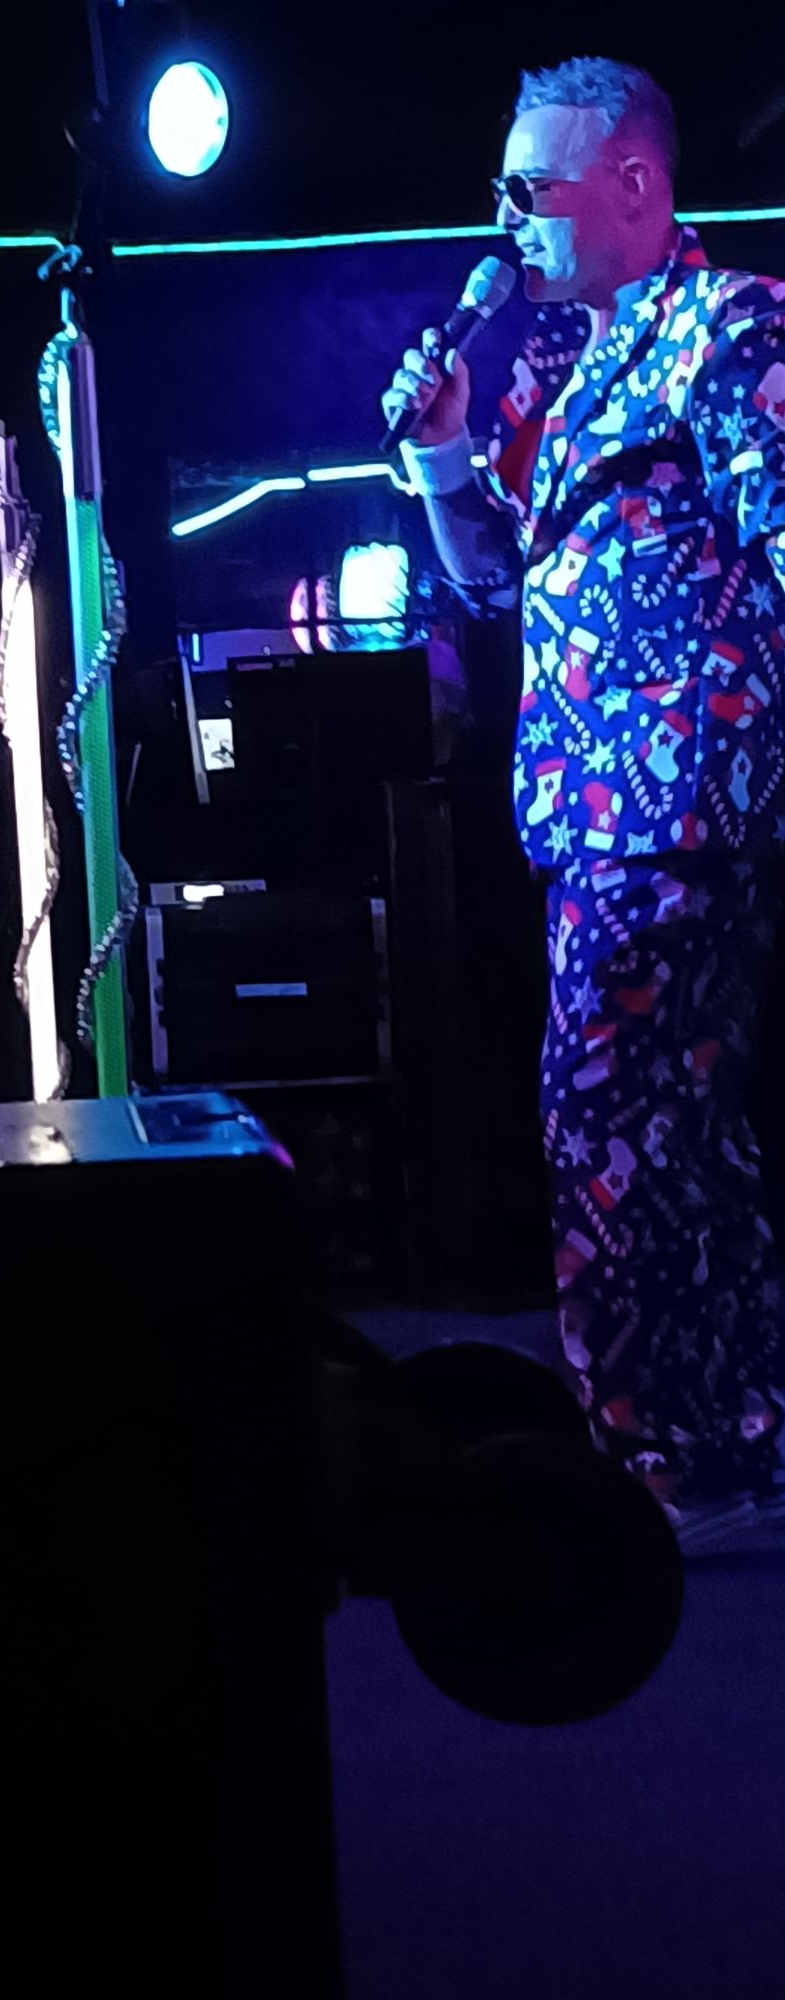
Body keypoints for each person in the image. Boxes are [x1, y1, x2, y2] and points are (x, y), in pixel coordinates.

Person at [381, 57, 785, 1555]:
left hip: (684, 806)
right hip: (584, 811)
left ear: (632, 183)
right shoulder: (565, 366)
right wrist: (442, 453)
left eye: (530, 190)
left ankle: (651, 1467)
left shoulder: (728, 328)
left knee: (605, 1123)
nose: (508, 222)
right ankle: (733, 1446)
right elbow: (496, 583)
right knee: (681, 1145)